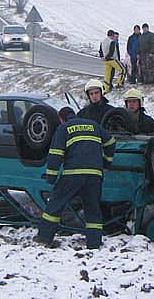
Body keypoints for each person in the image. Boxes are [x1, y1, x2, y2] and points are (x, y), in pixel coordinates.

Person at [35, 106, 115, 249]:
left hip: (73, 174)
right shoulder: (93, 125)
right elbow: (111, 142)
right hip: (94, 175)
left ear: (61, 118)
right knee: (93, 209)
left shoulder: (64, 128)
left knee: (56, 204)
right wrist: (106, 162)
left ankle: (44, 237)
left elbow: (55, 153)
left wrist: (51, 177)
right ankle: (94, 243)